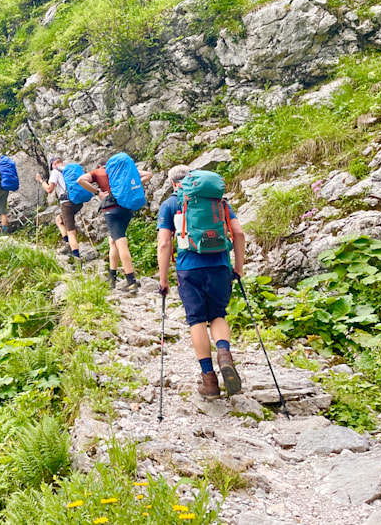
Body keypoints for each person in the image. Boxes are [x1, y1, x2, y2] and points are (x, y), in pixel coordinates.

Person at [156, 165, 246, 399]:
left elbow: (165, 244)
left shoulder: (170, 204)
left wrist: (163, 279)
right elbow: (239, 234)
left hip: (189, 269)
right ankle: (224, 354)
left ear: (174, 183)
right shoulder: (219, 202)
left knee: (196, 320)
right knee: (218, 315)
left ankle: (210, 381)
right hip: (220, 266)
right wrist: (238, 268)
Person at [78, 161, 153, 294]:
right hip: (126, 208)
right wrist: (129, 189)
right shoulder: (124, 171)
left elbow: (81, 180)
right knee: (113, 241)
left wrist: (97, 193)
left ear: (99, 166)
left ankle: (131, 281)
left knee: (120, 241)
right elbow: (148, 174)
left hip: (111, 210)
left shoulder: (98, 172)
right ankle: (112, 278)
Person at [36, 157, 82, 259]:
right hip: (78, 202)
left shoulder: (56, 172)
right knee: (59, 220)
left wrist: (41, 181)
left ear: (53, 164)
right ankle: (67, 244)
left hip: (66, 203)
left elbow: (49, 189)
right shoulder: (70, 170)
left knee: (71, 232)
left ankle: (77, 258)